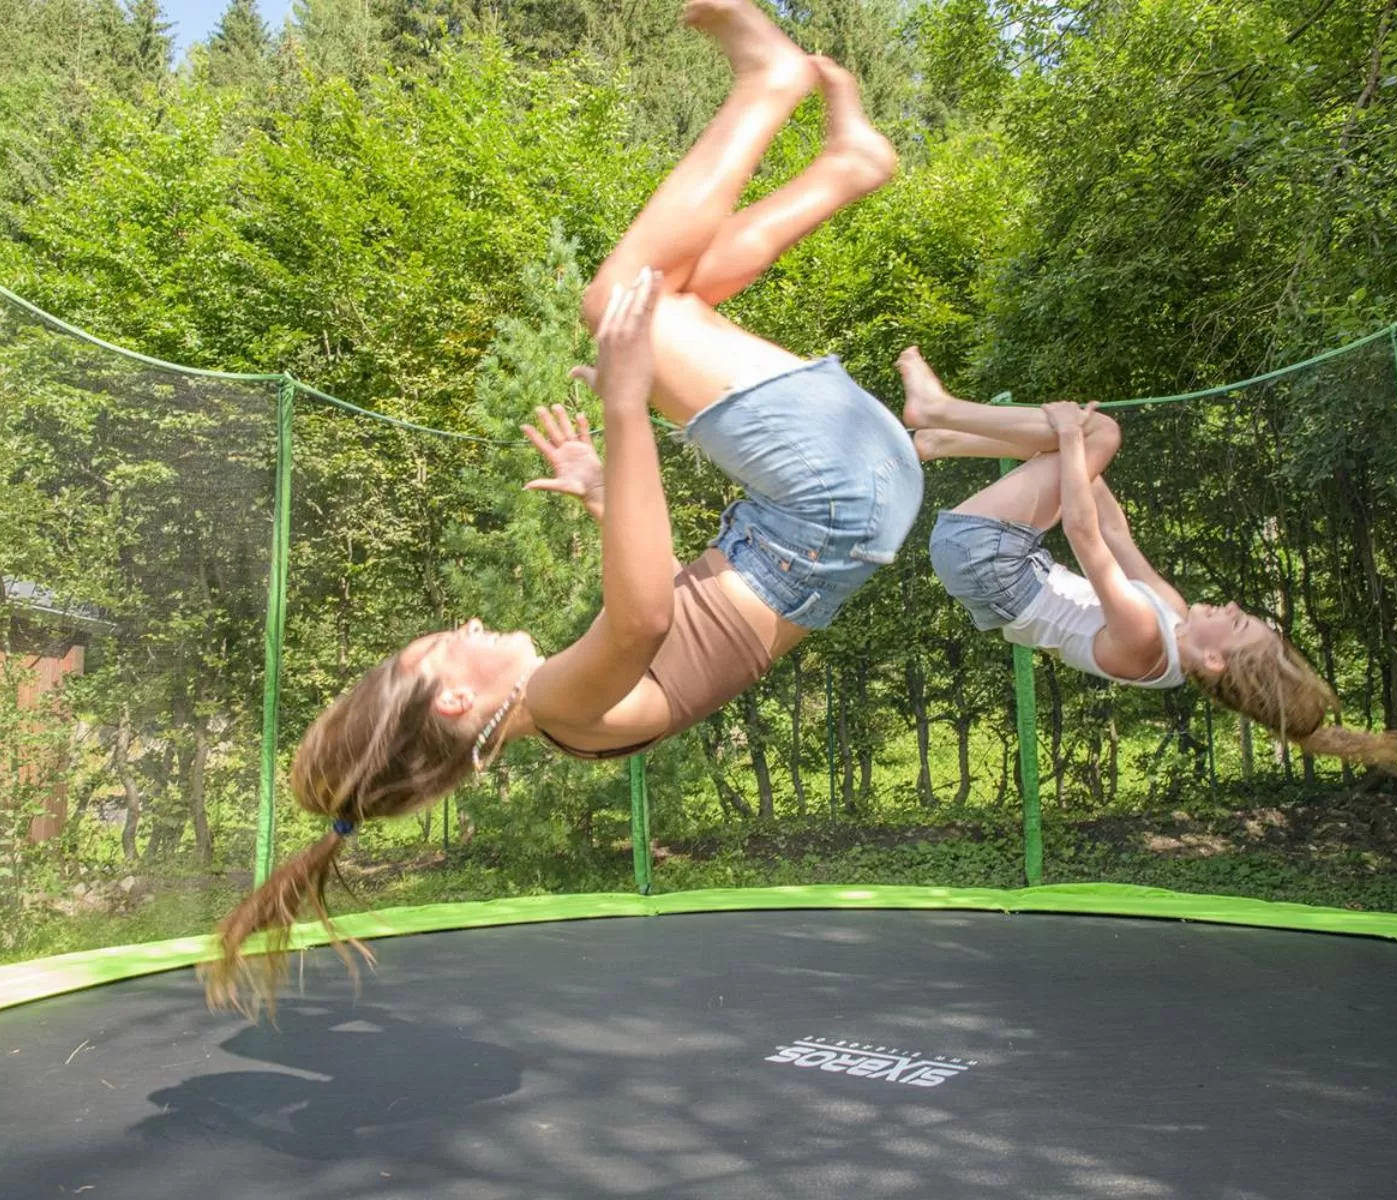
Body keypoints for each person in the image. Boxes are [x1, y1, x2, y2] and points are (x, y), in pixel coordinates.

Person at [203, 0, 920, 1015]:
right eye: (437, 648)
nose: (460, 627)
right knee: (619, 302)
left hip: (839, 506)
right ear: (453, 703)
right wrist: (626, 412)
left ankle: (851, 165)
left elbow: (677, 614)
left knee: (676, 298)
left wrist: (601, 494)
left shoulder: (567, 709)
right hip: (832, 500)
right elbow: (645, 617)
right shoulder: (561, 708)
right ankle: (767, 82)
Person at [898, 345, 1397, 768]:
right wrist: (1077, 455)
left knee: (1098, 436)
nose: (1232, 608)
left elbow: (1084, 534)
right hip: (1003, 565)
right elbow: (1115, 531)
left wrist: (1076, 436)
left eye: (1238, 623)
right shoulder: (1172, 614)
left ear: (1213, 658)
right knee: (1087, 445)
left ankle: (937, 411)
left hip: (986, 562)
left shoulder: (1145, 642)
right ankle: (942, 438)